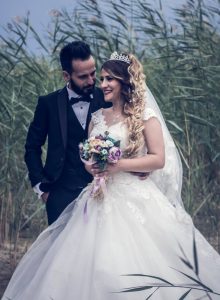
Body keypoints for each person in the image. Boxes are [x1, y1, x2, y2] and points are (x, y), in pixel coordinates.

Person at [3, 53, 220, 299]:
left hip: (134, 197)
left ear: (125, 82)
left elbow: (158, 159)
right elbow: (87, 158)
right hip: (95, 198)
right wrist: (92, 167)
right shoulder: (98, 117)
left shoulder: (145, 116)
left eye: (109, 79)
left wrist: (119, 165)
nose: (102, 83)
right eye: (102, 78)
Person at [24, 41, 110, 225]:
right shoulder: (48, 104)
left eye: (93, 73)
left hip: (101, 192)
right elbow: (32, 147)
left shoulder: (108, 99)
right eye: (82, 76)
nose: (91, 80)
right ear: (66, 75)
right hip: (59, 194)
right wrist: (41, 188)